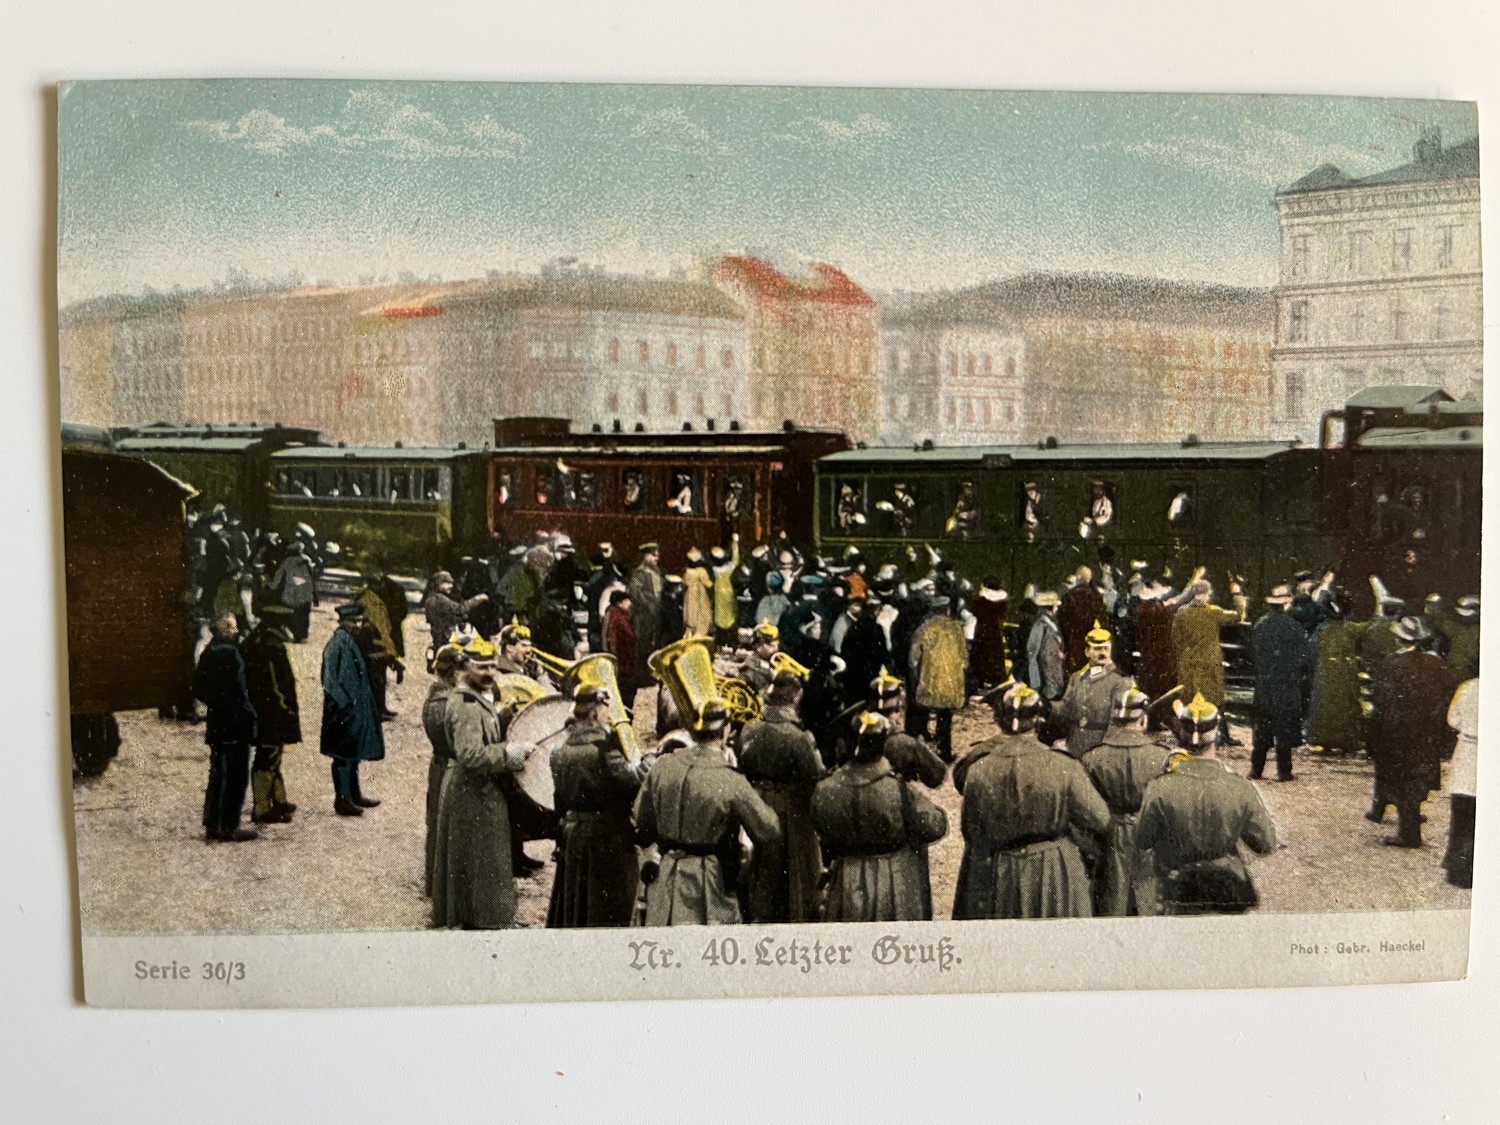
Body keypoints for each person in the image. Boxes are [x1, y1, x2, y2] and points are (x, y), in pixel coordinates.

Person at [951, 681, 1110, 919]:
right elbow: (1100, 819)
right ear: (1039, 720)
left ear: (1000, 720)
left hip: (1003, 870)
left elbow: (971, 830)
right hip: (1055, 869)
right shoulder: (1064, 765)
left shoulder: (979, 769)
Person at [632, 700, 781, 925]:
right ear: (726, 731)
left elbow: (642, 824)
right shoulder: (730, 779)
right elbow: (770, 830)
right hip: (707, 884)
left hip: (665, 879)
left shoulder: (662, 766)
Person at [432, 636, 539, 929]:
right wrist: (508, 753)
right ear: (467, 665)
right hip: (472, 791)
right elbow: (470, 754)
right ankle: (487, 922)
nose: (490, 673)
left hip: (477, 789)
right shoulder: (465, 703)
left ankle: (488, 918)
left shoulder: (474, 696)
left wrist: (501, 716)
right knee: (483, 859)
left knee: (484, 859)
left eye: (493, 666)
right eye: (481, 667)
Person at [1136, 693, 1276, 915]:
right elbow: (1265, 844)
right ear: (1217, 733)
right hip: (1227, 890)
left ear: (1181, 734)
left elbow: (1143, 839)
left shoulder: (1159, 788)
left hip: (1179, 889)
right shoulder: (1241, 788)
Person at [813, 712, 948, 922]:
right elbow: (935, 826)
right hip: (892, 879)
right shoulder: (897, 789)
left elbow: (821, 827)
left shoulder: (825, 789)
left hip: (847, 879)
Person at [547, 686, 647, 927]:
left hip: (573, 835)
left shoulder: (558, 750)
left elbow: (559, 799)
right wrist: (647, 764)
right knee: (607, 907)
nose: (610, 713)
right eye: (607, 707)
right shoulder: (604, 749)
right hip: (606, 837)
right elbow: (633, 782)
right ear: (596, 711)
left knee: (578, 901)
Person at [737, 668, 826, 923]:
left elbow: (742, 764)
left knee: (760, 868)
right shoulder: (799, 737)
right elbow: (815, 775)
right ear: (795, 698)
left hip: (755, 803)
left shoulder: (749, 730)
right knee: (794, 872)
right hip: (792, 809)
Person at [1366, 616, 1457, 848]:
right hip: (1425, 731)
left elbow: (1381, 699)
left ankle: (1409, 835)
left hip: (1397, 732)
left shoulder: (1391, 664)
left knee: (1400, 779)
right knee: (1416, 779)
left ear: (1398, 639)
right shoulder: (1435, 663)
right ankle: (1410, 824)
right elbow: (1449, 691)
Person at [1080, 685, 1164, 916]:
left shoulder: (1093, 757)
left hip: (1109, 835)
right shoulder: (1163, 757)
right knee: (1149, 905)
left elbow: (1084, 812)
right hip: (1150, 837)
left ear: (1115, 719)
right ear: (1143, 719)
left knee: (1111, 903)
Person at [194, 614, 260, 843]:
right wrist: (247, 715)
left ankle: (213, 824)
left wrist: (216, 704)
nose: (236, 631)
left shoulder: (209, 652)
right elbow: (241, 692)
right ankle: (229, 826)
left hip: (218, 723)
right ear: (223, 630)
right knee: (235, 775)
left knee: (218, 775)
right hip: (235, 723)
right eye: (232, 627)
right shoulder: (231, 653)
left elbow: (198, 688)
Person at [319, 603, 386, 817]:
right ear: (345, 622)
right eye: (355, 622)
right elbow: (329, 680)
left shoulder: (349, 642)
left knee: (353, 753)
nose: (358, 626)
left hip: (353, 710)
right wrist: (345, 703)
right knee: (343, 756)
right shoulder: (336, 645)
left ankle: (354, 795)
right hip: (342, 711)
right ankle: (342, 799)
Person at [240, 605, 300, 825]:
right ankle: (263, 807)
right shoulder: (269, 646)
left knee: (273, 753)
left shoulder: (259, 641)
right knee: (268, 754)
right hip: (271, 712)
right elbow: (271, 685)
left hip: (266, 710)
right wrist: (284, 707)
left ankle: (278, 799)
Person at [1250, 585, 1313, 782]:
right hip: (1286, 683)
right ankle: (1284, 771)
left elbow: (1253, 653)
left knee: (1262, 730)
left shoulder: (1260, 625)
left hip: (1265, 683)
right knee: (1284, 729)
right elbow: (1304, 657)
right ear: (1286, 604)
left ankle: (1256, 769)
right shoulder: (1294, 627)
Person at [422, 642, 467, 895]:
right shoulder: (443, 703)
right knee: (442, 827)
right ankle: (440, 886)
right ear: (455, 673)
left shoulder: (442, 697)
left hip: (440, 766)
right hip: (445, 768)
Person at [1053, 621, 1133, 759]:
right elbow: (1066, 708)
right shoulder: (1077, 677)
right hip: (1075, 743)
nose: (1102, 653)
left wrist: (1105, 751)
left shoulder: (1120, 682)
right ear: (1087, 651)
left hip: (1101, 747)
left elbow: (1117, 724)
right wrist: (1046, 706)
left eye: (1106, 648)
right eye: (1097, 649)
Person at [1306, 589, 1369, 755]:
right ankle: (1345, 740)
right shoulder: (1351, 628)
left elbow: (1312, 650)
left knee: (1326, 703)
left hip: (1326, 668)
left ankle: (1325, 739)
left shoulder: (1322, 629)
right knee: (1346, 702)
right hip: (1345, 668)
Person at [1172, 579, 1239, 731]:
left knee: (1189, 698)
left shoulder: (1182, 612)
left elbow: (1176, 639)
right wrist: (1238, 596)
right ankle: (1221, 733)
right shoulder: (1213, 612)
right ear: (1207, 594)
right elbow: (1237, 616)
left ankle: (1189, 731)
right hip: (1209, 662)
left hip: (1189, 662)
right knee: (1215, 698)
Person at [908, 595, 968, 761]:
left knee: (924, 712)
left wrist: (916, 672)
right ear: (946, 609)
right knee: (945, 716)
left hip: (930, 680)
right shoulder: (956, 628)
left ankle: (922, 750)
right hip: (950, 681)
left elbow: (913, 657)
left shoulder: (925, 628)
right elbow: (964, 657)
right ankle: (944, 750)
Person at [1444, 663, 1479, 889]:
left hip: (1468, 751)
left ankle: (1457, 868)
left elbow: (1452, 719)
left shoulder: (1467, 687)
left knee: (1462, 815)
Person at [422, 571, 488, 669]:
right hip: (447, 639)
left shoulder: (430, 599)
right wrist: (478, 599)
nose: (451, 586)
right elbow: (460, 609)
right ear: (438, 583)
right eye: (447, 583)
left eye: (451, 583)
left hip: (438, 637)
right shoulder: (440, 600)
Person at [1059, 567, 1106, 673]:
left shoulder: (1070, 597)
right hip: (1092, 642)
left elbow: (1063, 622)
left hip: (1074, 643)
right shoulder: (1097, 597)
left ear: (1078, 577)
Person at [267, 541, 315, 642]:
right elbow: (312, 575)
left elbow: (278, 576)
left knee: (293, 613)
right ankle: (303, 635)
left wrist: (271, 586)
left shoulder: (287, 561)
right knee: (304, 614)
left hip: (291, 592)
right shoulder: (307, 559)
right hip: (305, 591)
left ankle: (294, 632)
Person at [602, 590, 642, 709]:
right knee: (625, 693)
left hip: (625, 663)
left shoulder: (620, 615)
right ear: (619, 603)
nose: (629, 603)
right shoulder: (616, 617)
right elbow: (612, 640)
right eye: (626, 601)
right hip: (622, 664)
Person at [1024, 590, 1066, 700]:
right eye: (1056, 606)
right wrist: (1035, 683)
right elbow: (1032, 653)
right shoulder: (1040, 624)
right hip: (1045, 669)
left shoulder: (1053, 623)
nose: (1058, 609)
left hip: (1054, 667)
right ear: (1050, 608)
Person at [970, 577, 1009, 691]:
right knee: (995, 656)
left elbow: (976, 612)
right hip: (995, 632)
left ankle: (981, 681)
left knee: (981, 657)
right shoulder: (1002, 601)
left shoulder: (980, 601)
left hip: (982, 632)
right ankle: (996, 679)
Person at [627, 542, 664, 658]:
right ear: (645, 556)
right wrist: (649, 604)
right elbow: (635, 593)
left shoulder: (657, 572)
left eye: (657, 555)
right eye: (653, 555)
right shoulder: (640, 572)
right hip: (643, 616)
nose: (656, 558)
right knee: (644, 644)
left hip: (655, 614)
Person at [711, 534, 741, 644]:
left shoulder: (714, 569)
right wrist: (735, 544)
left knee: (719, 615)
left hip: (718, 592)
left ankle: (721, 640)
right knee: (730, 614)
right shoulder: (728, 568)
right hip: (728, 591)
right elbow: (735, 560)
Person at [682, 547, 714, 638]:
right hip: (700, 595)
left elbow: (685, 582)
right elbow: (708, 583)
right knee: (701, 612)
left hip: (690, 595)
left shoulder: (687, 571)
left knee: (690, 612)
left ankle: (690, 632)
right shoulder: (701, 571)